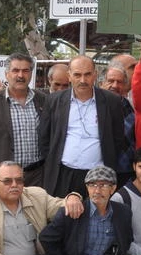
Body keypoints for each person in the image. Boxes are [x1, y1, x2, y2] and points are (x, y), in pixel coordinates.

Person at [38, 56, 128, 200]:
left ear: (95, 75)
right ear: (69, 76)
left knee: (94, 218)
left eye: (87, 74)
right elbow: (44, 137)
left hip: (98, 176)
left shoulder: (112, 101)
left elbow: (118, 139)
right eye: (77, 75)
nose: (83, 80)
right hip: (63, 175)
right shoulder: (54, 101)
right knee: (62, 217)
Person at [0, 53, 48, 193]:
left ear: (31, 73)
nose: (20, 75)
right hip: (4, 179)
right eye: (15, 70)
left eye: (25, 71)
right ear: (7, 73)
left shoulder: (43, 100)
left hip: (36, 176)